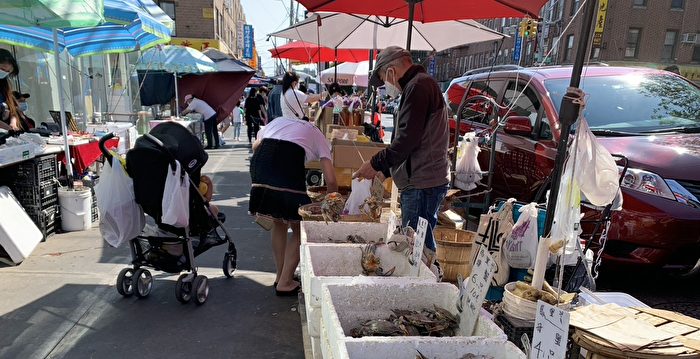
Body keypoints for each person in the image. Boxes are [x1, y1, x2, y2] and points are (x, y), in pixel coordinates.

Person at [353, 46, 450, 270]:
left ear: (391, 70)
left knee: (415, 247)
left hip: (422, 183)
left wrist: (375, 163)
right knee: (419, 243)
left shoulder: (418, 87)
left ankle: (424, 285)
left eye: (383, 79)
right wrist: (385, 171)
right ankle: (427, 279)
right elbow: (414, 139)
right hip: (423, 180)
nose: (387, 86)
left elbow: (406, 141)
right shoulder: (418, 86)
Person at [249, 71, 335, 296]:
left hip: (259, 168)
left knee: (279, 222)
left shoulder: (276, 121)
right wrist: (332, 200)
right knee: (300, 225)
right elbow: (332, 179)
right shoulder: (315, 132)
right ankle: (286, 280)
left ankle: (281, 275)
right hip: (285, 169)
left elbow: (256, 145)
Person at [0, 49, 20, 131]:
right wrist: (7, 128)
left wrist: (13, 122)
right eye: (2, 69)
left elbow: (12, 108)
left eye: (8, 71)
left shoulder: (4, 84)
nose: (4, 73)